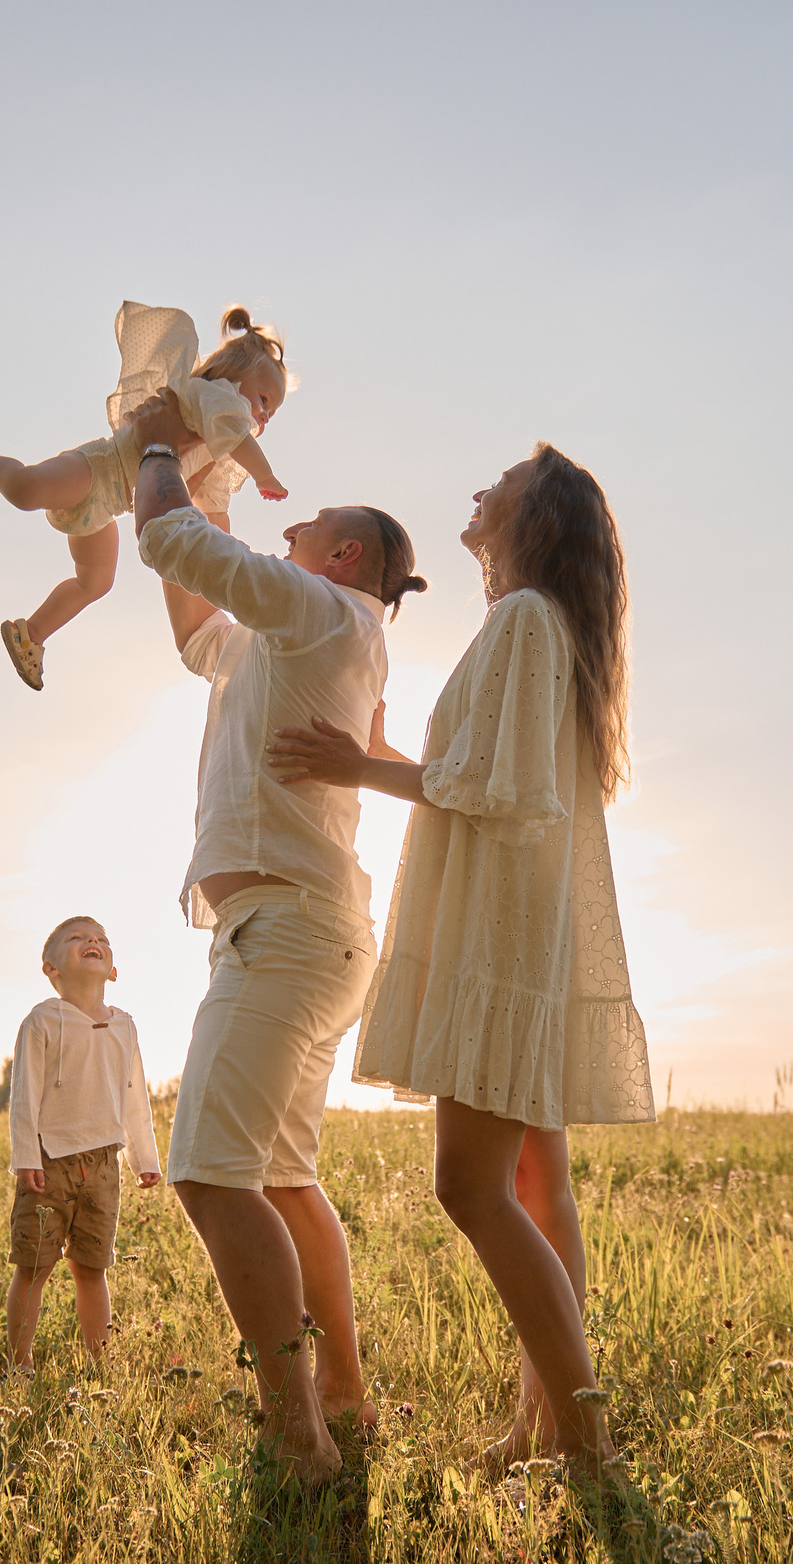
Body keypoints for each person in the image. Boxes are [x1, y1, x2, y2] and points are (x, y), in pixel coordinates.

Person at [264, 444, 654, 1472]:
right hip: (523, 921)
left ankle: (582, 1440)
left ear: (539, 515)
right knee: (534, 1184)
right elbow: (488, 775)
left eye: (505, 484)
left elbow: (502, 788)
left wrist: (360, 767)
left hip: (500, 930)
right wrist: (387, 759)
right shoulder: (530, 625)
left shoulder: (524, 620)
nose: (480, 492)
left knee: (469, 1186)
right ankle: (543, 1425)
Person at [123, 387, 427, 1484]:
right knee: (286, 1178)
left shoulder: (322, 610)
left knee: (210, 1177)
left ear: (342, 554)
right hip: (307, 931)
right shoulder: (292, 633)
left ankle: (297, 1433)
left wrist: (154, 439)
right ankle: (340, 1395)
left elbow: (166, 534)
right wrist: (197, 477)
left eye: (306, 528)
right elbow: (193, 612)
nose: (285, 532)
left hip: (288, 933)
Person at [0, 303, 291, 691]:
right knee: (28, 490)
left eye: (271, 412)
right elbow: (237, 434)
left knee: (95, 581)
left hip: (109, 508)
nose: (263, 416)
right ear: (235, 375)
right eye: (263, 400)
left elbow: (193, 497)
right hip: (98, 469)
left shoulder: (214, 441)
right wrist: (265, 475)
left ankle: (32, 634)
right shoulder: (216, 397)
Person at [4, 914, 162, 1372]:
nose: (92, 941)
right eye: (76, 938)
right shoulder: (43, 1021)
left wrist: (143, 1156)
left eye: (100, 939)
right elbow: (24, 1095)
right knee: (33, 1266)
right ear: (50, 968)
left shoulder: (124, 1026)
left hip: (105, 1163)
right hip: (49, 1161)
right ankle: (20, 1364)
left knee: (93, 1268)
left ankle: (100, 1365)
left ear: (113, 969)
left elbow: (135, 1098)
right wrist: (25, 1157)